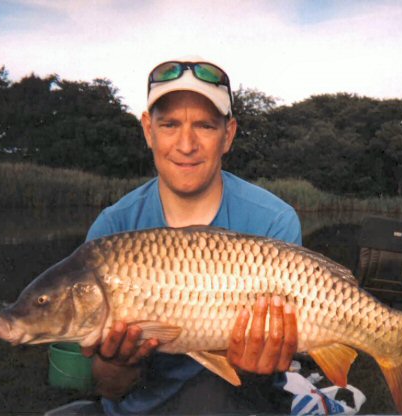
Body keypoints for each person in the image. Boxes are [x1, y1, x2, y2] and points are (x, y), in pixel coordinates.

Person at [76, 56, 303, 415]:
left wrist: (254, 361)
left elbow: (264, 382)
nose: (186, 145)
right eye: (169, 125)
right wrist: (118, 362)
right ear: (148, 131)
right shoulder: (111, 230)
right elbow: (109, 386)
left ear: (227, 135)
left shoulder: (274, 220)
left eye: (205, 126)